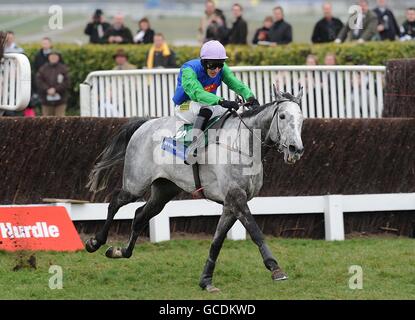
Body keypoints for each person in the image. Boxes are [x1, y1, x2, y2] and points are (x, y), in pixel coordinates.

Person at [172, 40, 259, 161]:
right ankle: (192, 147)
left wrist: (250, 97)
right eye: (212, 65)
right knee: (206, 109)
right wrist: (221, 101)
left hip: (207, 104)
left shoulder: (221, 69)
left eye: (220, 65)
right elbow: (198, 93)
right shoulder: (189, 69)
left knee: (232, 111)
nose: (216, 69)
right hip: (184, 107)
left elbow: (236, 84)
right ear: (203, 62)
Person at [36, 50, 70, 116]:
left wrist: (56, 89)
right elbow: (39, 81)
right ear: (48, 57)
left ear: (58, 58)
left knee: (60, 120)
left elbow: (67, 82)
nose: (53, 58)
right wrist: (47, 89)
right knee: (47, 120)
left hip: (61, 100)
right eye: (52, 56)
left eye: (55, 57)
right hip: (46, 100)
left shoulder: (63, 68)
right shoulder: (43, 68)